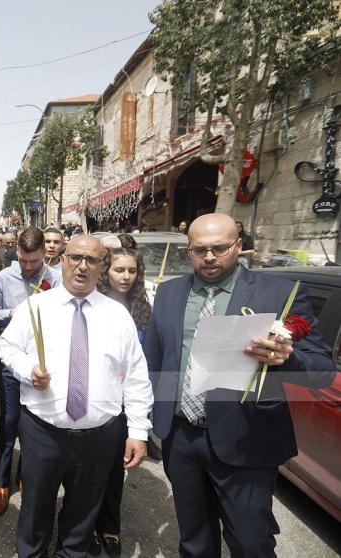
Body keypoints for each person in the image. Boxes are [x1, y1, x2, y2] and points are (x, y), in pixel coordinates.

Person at [144, 213, 335, 558]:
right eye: (199, 250)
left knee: (251, 543)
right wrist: (147, 420)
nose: (209, 257)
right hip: (181, 438)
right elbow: (156, 360)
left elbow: (322, 370)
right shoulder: (170, 293)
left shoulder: (279, 293)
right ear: (189, 251)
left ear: (238, 246)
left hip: (247, 436)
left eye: (219, 248)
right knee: (194, 541)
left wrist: (287, 359)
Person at [0, 235, 153, 557]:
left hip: (99, 436)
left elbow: (136, 374)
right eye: (75, 258)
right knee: (35, 509)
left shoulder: (117, 315)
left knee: (83, 514)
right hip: (42, 432)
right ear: (62, 260)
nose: (82, 266)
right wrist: (28, 370)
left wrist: (138, 431)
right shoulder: (35, 307)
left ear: (102, 266)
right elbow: (8, 347)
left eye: (91, 260)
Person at [0, 226, 61, 515]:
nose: (28, 267)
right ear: (17, 251)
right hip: (10, 363)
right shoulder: (5, 277)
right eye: (23, 260)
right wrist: (12, 313)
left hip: (42, 363)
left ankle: (24, 475)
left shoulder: (56, 279)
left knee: (34, 423)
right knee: (9, 422)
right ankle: (2, 481)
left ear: (45, 252)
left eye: (34, 261)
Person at [92, 247, 154, 556]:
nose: (126, 276)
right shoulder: (94, 305)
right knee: (91, 471)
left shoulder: (142, 308)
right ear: (106, 272)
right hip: (99, 399)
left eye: (132, 270)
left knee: (115, 471)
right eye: (119, 270)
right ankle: (86, 525)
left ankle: (109, 526)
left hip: (129, 401)